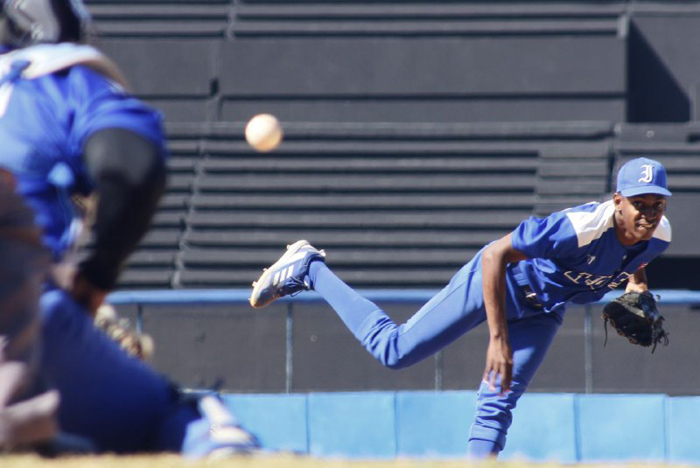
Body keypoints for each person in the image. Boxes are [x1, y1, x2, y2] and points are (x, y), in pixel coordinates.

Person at [250, 156, 672, 458]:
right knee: (393, 350)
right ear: (618, 200)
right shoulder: (577, 229)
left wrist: (638, 287)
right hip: (499, 281)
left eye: (657, 204)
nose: (649, 213)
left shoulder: (658, 235)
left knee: (498, 404)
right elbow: (495, 255)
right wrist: (497, 338)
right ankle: (309, 268)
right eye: (640, 203)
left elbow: (636, 260)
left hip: (545, 309)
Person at [0, 0, 257, 455]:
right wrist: (94, 277)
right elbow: (133, 168)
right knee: (177, 413)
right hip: (18, 316)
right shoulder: (55, 81)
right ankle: (218, 444)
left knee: (56, 443)